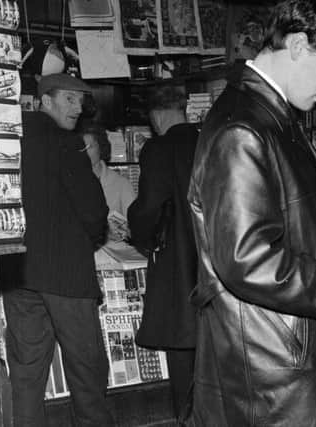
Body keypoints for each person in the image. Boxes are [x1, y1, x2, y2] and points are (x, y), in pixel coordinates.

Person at [183, 1, 316, 425]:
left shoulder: (264, 114)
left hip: (279, 359)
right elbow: (248, 261)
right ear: (299, 45)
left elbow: (264, 225)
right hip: (269, 380)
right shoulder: (243, 128)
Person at [2, 73, 113, 426]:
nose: (78, 108)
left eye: (81, 101)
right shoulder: (67, 143)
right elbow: (94, 210)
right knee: (86, 370)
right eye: (69, 99)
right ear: (45, 100)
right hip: (66, 273)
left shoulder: (8, 140)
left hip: (16, 270)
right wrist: (94, 235)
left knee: (27, 371)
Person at [127, 85, 199, 419]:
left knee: (182, 355)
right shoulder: (210, 138)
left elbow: (149, 208)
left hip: (177, 266)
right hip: (221, 266)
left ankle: (186, 419)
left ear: (155, 116)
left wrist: (139, 232)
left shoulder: (158, 148)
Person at [80, 123, 136, 241]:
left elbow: (136, 228)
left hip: (114, 253)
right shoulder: (71, 183)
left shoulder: (121, 184)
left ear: (101, 147)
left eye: (90, 147)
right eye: (81, 147)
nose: (85, 152)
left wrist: (117, 232)